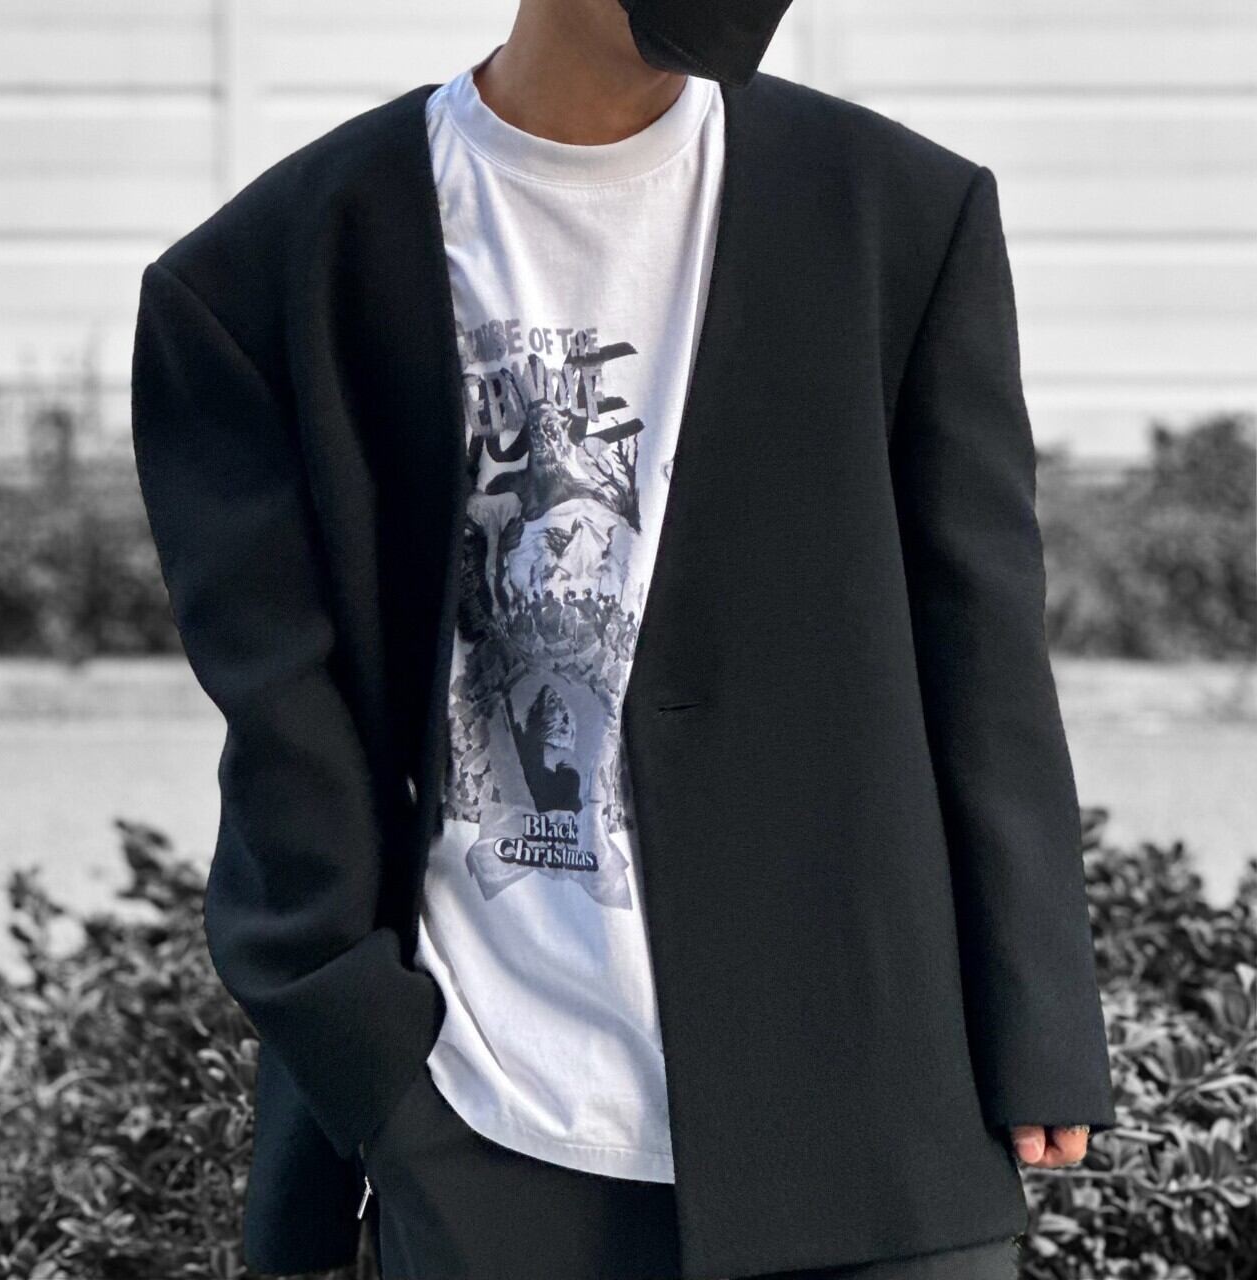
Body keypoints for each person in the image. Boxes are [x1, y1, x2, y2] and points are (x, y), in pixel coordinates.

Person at [129, 2, 1116, 1277]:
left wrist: (1037, 1020)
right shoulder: (260, 278)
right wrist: (377, 1070)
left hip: (874, 1119)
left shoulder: (897, 216)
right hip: (489, 1125)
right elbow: (284, 731)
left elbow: (981, 649)